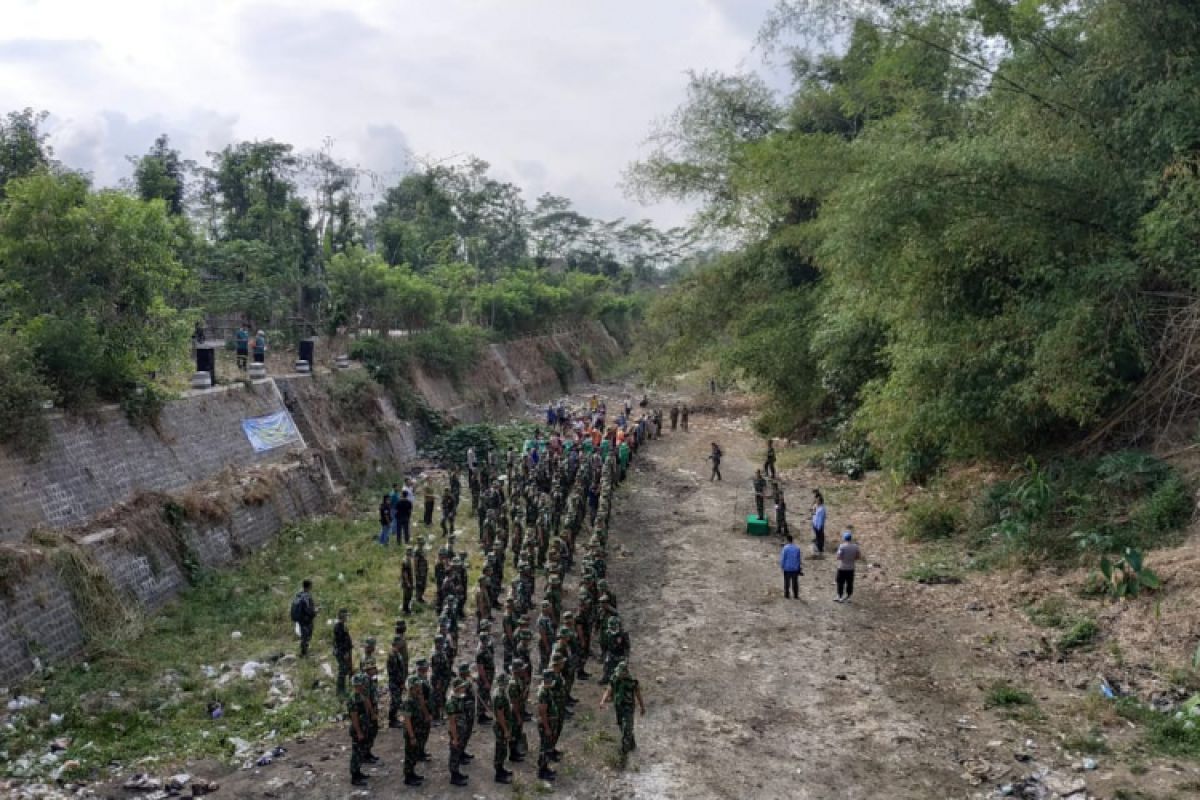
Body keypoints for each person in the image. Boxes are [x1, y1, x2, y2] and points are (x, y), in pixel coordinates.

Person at [599, 660, 645, 756]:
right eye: (618, 672)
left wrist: (642, 707)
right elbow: (609, 690)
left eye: (620, 673)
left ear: (625, 672)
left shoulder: (632, 682)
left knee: (627, 728)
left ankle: (624, 752)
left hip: (628, 708)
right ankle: (632, 744)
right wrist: (603, 701)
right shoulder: (615, 679)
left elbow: (638, 694)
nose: (618, 674)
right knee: (622, 726)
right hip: (618, 707)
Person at [446, 679, 470, 786]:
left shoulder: (459, 698)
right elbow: (452, 723)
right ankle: (454, 776)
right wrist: (455, 738)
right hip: (456, 732)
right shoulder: (451, 702)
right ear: (457, 688)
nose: (464, 688)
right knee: (454, 753)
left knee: (458, 752)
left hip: (461, 730)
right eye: (462, 687)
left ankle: (457, 772)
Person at [348, 674, 371, 786]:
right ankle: (354, 777)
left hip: (364, 726)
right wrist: (359, 732)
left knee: (360, 751)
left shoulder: (361, 695)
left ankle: (358, 772)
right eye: (362, 684)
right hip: (358, 729)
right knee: (356, 753)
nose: (363, 685)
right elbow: (354, 717)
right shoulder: (353, 699)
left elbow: (366, 706)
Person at [291, 579, 317, 656]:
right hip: (306, 619)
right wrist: (315, 612)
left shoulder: (298, 594)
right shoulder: (306, 596)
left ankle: (304, 652)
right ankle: (304, 653)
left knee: (304, 635)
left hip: (300, 619)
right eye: (311, 585)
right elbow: (308, 609)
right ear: (309, 586)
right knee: (307, 636)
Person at [835, 529, 861, 603]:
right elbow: (858, 556)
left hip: (842, 567)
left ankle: (840, 596)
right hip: (851, 568)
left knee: (840, 582)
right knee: (850, 583)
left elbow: (838, 557)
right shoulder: (855, 547)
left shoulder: (842, 546)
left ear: (844, 538)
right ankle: (849, 597)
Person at [333, 608, 353, 696]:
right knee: (343, 671)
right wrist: (345, 652)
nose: (347, 617)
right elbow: (340, 642)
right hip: (342, 652)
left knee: (347, 670)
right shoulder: (338, 627)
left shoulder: (342, 625)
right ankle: (340, 691)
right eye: (346, 615)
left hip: (346, 651)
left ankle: (346, 688)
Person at [780, 534, 803, 599]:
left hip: (787, 568)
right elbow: (798, 559)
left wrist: (782, 566)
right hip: (795, 568)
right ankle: (795, 595)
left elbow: (783, 558)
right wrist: (799, 567)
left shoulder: (785, 548)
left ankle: (787, 594)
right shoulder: (797, 548)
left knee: (787, 582)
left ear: (787, 540)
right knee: (795, 582)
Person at [811, 490, 827, 557]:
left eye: (817, 500)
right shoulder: (817, 507)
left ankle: (820, 548)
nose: (816, 501)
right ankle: (819, 547)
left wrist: (818, 526)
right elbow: (814, 514)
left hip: (818, 525)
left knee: (819, 537)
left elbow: (820, 519)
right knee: (818, 537)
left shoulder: (821, 509)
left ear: (820, 501)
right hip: (815, 524)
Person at [401, 547, 416, 615]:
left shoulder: (409, 559)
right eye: (410, 551)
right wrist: (408, 583)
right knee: (406, 596)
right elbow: (405, 573)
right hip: (407, 582)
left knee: (410, 596)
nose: (412, 553)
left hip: (410, 581)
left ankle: (407, 609)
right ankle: (405, 610)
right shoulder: (405, 561)